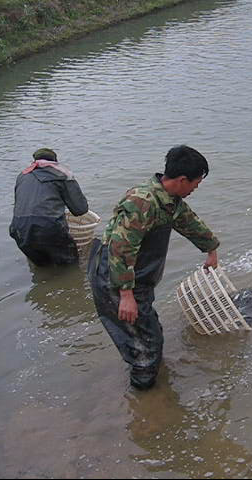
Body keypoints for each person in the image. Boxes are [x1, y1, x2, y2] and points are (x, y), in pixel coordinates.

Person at [88, 145, 220, 390]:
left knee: (147, 333)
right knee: (146, 345)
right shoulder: (142, 202)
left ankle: (149, 390)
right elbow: (120, 247)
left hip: (135, 278)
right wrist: (125, 295)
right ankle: (145, 399)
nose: (196, 189)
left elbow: (190, 224)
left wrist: (211, 249)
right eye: (196, 183)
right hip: (115, 278)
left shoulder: (170, 201)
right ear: (182, 180)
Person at [10, 148, 89, 266]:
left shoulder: (22, 176)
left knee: (43, 268)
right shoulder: (62, 175)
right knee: (70, 268)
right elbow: (80, 209)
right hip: (48, 228)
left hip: (19, 230)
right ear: (55, 162)